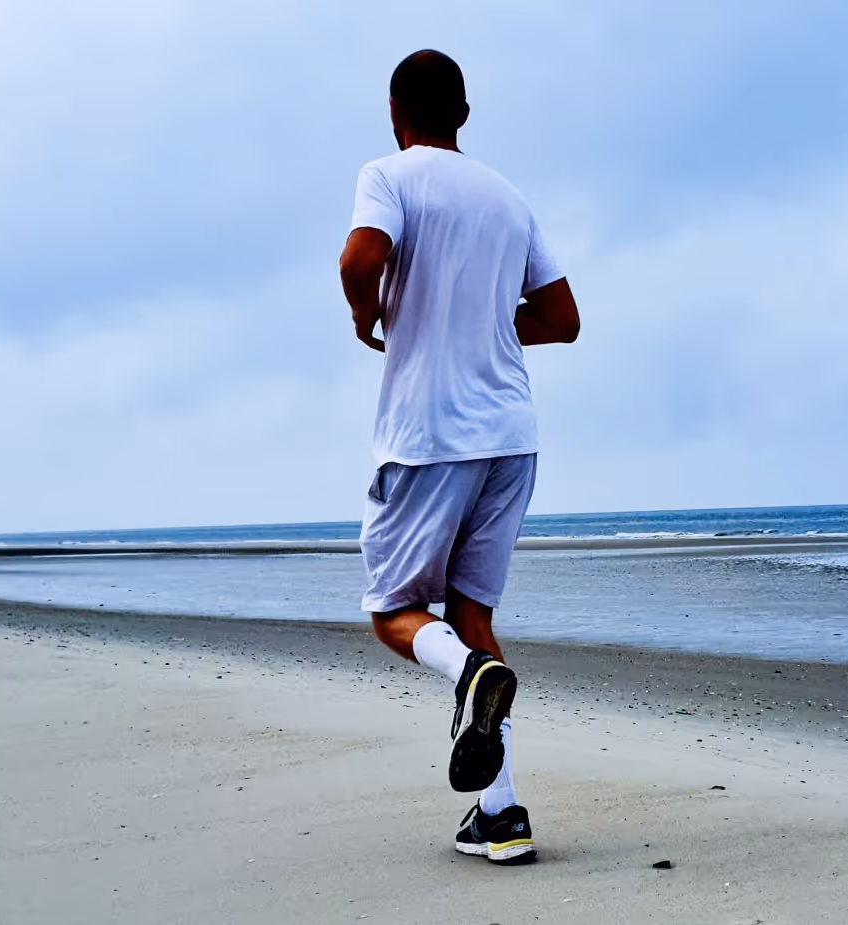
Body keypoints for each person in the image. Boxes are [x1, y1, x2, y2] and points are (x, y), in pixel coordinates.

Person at [338, 49, 580, 866]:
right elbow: (562, 314)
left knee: (397, 612)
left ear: (396, 111)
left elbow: (360, 258)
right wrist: (489, 323)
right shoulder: (509, 197)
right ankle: (501, 813)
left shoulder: (390, 174)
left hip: (429, 434)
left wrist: (366, 317)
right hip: (512, 435)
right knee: (473, 615)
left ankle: (470, 674)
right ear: (464, 116)